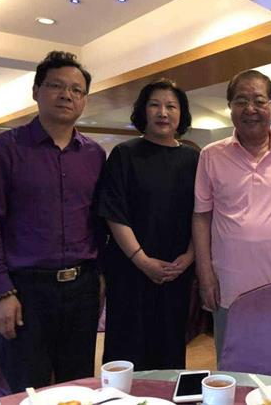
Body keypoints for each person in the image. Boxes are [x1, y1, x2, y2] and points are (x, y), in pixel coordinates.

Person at [0, 51, 105, 392]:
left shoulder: (94, 155)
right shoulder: (5, 148)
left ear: (84, 100)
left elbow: (98, 222)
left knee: (79, 386)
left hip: (82, 290)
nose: (67, 95)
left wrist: (101, 277)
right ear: (36, 91)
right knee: (29, 389)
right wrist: (0, 292)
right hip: (24, 291)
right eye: (56, 86)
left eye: (76, 90)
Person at [192, 69, 271, 360]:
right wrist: (205, 274)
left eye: (258, 100)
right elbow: (201, 217)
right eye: (241, 101)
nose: (250, 109)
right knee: (233, 365)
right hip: (229, 286)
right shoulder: (211, 155)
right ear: (230, 107)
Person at [97, 80, 198, 370]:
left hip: (176, 271)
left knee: (170, 351)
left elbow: (202, 213)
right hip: (130, 271)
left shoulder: (194, 158)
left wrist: (189, 256)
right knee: (127, 354)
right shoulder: (124, 154)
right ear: (143, 110)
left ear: (181, 113)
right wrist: (142, 261)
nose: (162, 112)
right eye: (154, 105)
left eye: (171, 106)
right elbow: (114, 213)